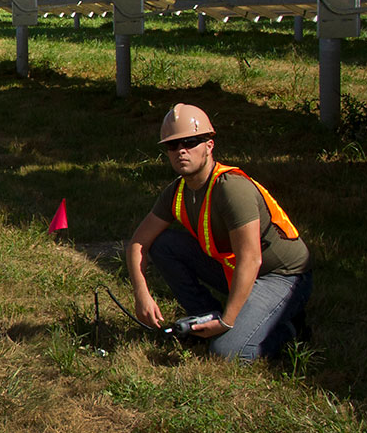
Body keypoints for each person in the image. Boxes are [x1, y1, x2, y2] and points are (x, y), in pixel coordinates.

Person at [125, 103, 312, 361]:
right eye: (172, 145)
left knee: (227, 353)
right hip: (235, 268)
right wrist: (141, 294)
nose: (181, 151)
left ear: (209, 145)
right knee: (163, 244)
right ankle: (206, 318)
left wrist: (228, 321)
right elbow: (138, 243)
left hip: (280, 275)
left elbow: (251, 259)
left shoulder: (231, 189)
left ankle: (288, 329)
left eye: (190, 142)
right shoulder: (177, 191)